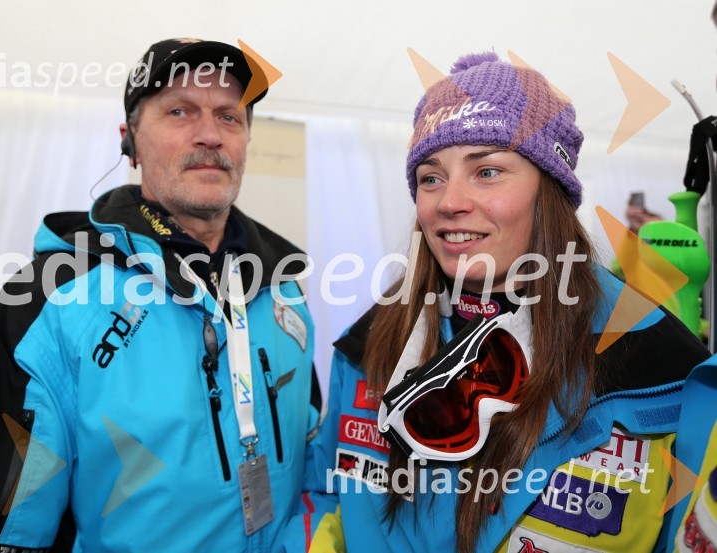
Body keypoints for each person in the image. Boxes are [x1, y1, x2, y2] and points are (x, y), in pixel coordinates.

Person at [0, 38, 321, 552]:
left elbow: (312, 461)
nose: (210, 134)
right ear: (130, 142)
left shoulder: (282, 288)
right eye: (180, 111)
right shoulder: (45, 302)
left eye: (230, 117)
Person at [283, 52, 716, 552]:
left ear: (548, 189)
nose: (449, 201)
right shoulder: (371, 343)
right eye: (431, 177)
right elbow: (322, 497)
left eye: (486, 171)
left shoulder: (658, 364)